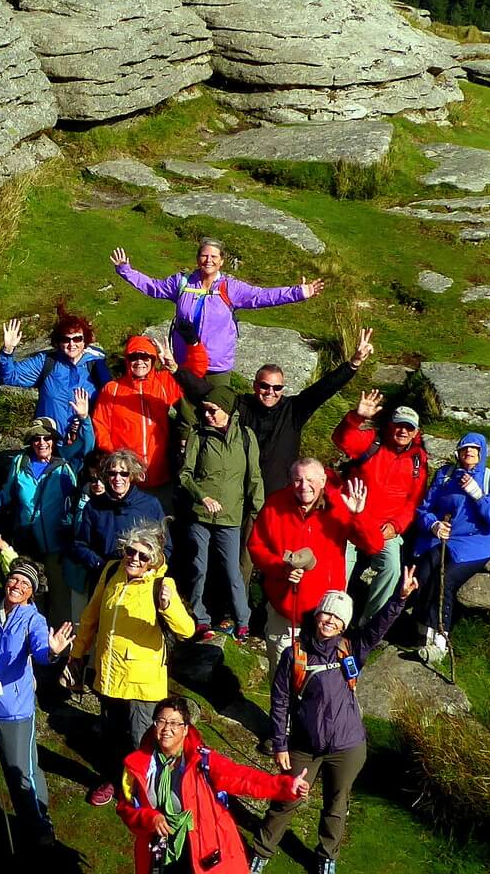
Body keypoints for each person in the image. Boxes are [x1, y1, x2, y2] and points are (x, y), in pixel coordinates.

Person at [108, 697, 309, 874]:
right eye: (161, 721)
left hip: (202, 844)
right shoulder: (136, 764)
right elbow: (126, 808)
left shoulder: (203, 759)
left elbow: (243, 779)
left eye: (175, 723)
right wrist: (149, 819)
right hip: (157, 845)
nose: (166, 729)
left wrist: (284, 786)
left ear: (186, 728)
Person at [248, 572, 417, 874]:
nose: (329, 621)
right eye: (326, 613)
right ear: (317, 614)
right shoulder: (293, 655)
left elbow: (379, 627)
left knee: (336, 805)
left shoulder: (352, 649)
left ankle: (327, 857)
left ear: (343, 624)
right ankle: (261, 851)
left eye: (337, 618)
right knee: (287, 800)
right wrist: (280, 743)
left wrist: (400, 598)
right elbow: (280, 700)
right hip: (303, 746)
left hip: (348, 746)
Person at [69, 522, 195, 807]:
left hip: (143, 680)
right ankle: (112, 780)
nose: (134, 559)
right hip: (110, 673)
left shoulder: (163, 585)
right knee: (111, 736)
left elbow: (187, 630)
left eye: (142, 555)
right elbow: (91, 615)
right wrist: (77, 655)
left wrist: (167, 606)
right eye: (130, 551)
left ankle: (145, 791)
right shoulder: (112, 571)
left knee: (143, 740)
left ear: (154, 560)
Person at [0, 558, 76, 849]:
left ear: (32, 592)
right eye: (14, 579)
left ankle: (38, 823)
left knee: (20, 770)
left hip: (13, 708)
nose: (17, 586)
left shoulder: (33, 619)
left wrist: (54, 652)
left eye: (25, 584)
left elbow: (41, 650)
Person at [175, 328, 376, 497]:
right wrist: (176, 369)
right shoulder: (240, 405)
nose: (270, 392)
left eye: (277, 388)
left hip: (278, 497)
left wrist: (353, 364)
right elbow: (206, 393)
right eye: (264, 386)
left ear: (283, 388)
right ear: (255, 385)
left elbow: (323, 389)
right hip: (240, 495)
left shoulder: (293, 410)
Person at [110, 238, 324, 385]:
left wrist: (298, 292)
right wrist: (125, 270)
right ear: (197, 259)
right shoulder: (182, 282)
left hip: (216, 366)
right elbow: (153, 287)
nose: (208, 260)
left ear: (221, 261)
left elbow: (262, 296)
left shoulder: (230, 287)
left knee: (216, 414)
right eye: (204, 256)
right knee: (186, 418)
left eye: (214, 257)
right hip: (184, 362)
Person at [249, 462, 365, 682]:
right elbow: (256, 547)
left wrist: (357, 516)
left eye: (311, 480)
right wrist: (281, 568)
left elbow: (373, 545)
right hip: (285, 610)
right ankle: (281, 717)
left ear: (323, 481)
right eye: (298, 479)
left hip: (325, 614)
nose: (304, 486)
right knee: (281, 675)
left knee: (321, 678)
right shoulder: (275, 505)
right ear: (290, 479)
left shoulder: (339, 505)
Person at [174, 384, 264, 643]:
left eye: (213, 410)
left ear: (227, 409)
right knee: (199, 567)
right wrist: (202, 496)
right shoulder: (198, 436)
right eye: (205, 411)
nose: (208, 415)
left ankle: (242, 621)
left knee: (233, 571)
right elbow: (185, 475)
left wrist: (258, 511)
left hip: (231, 518)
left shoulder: (246, 437)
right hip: (199, 516)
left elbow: (254, 476)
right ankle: (201, 620)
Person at [0, 412, 93, 624]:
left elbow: (87, 446)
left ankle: (60, 650)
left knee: (60, 598)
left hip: (58, 544)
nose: (42, 442)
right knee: (31, 596)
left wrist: (84, 418)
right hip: (28, 543)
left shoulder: (65, 463)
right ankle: (33, 644)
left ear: (54, 440)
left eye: (47, 437)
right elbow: (7, 494)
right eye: (36, 438)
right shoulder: (19, 462)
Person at [412, 432, 490, 664]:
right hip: (443, 540)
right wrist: (433, 525)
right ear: (457, 452)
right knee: (422, 575)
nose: (469, 452)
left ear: (482, 452)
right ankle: (420, 629)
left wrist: (477, 494)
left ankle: (440, 641)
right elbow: (423, 510)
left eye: (474, 449)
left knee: (446, 580)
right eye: (464, 448)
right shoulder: (445, 476)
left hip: (475, 546)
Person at [333, 390, 430, 622]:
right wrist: (356, 417)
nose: (403, 431)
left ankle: (369, 626)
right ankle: (331, 620)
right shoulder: (371, 441)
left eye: (409, 427)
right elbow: (341, 439)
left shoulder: (419, 460)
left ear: (416, 432)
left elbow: (413, 500)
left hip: (385, 530)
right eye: (399, 425)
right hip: (351, 523)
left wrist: (396, 526)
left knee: (392, 569)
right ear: (390, 426)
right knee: (338, 571)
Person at [68, 450, 166, 629]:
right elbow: (80, 545)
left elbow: (166, 548)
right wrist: (101, 565)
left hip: (142, 584)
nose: (117, 478)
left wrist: (149, 569)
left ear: (132, 475)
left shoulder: (150, 505)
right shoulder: (94, 506)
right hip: (106, 582)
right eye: (112, 473)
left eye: (123, 473)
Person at [91, 335, 185, 504]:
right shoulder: (112, 389)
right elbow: (100, 425)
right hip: (126, 479)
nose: (139, 362)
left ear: (153, 359)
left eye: (145, 357)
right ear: (127, 360)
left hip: (160, 474)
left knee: (160, 525)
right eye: (134, 357)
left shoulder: (164, 382)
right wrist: (117, 459)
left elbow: (197, 373)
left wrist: (191, 346)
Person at [0, 312, 111, 434]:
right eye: (65, 339)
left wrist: (86, 421)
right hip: (47, 444)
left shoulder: (96, 366)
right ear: (58, 341)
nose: (71, 344)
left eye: (77, 339)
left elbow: (110, 405)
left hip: (84, 444)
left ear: (85, 341)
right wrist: (7, 351)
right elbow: (9, 377)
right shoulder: (46, 362)